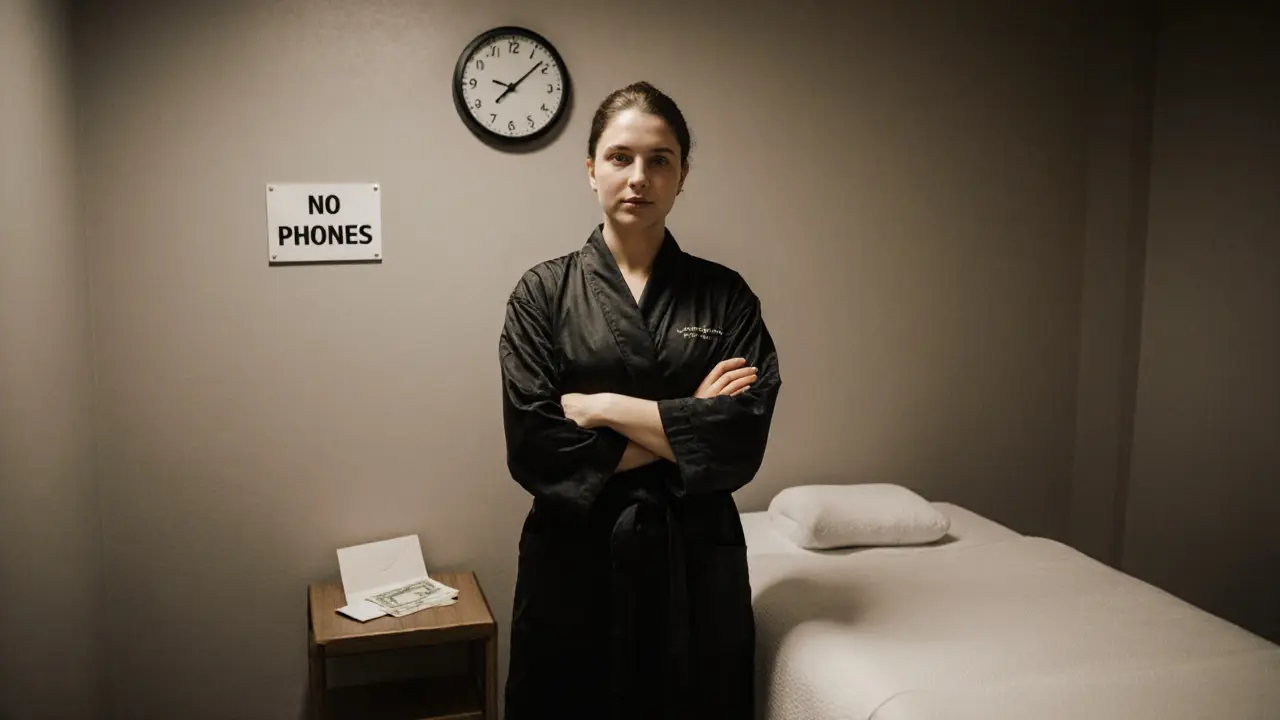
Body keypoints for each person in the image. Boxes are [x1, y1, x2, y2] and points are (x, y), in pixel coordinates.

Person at [498, 80, 783, 720]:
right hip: (574, 559)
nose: (639, 177)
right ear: (591, 168)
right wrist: (688, 424)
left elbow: (739, 440)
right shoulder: (541, 295)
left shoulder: (725, 295)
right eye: (621, 157)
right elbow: (538, 449)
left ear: (682, 176)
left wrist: (602, 406)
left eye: (660, 160)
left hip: (693, 556)